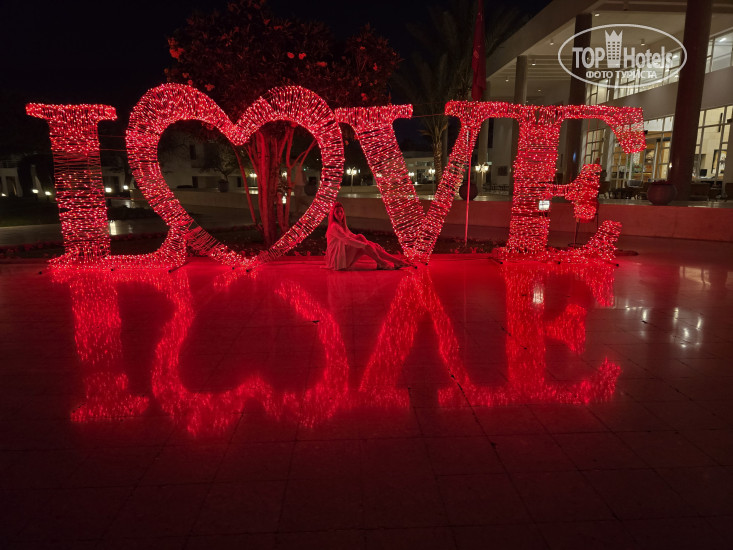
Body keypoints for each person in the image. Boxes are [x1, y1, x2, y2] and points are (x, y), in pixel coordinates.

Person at [326, 202, 412, 270]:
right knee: (361, 240)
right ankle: (384, 262)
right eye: (337, 212)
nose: (340, 214)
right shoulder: (334, 226)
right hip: (338, 261)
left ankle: (394, 262)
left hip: (343, 257)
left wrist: (370, 244)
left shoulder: (341, 225)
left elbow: (351, 236)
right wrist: (365, 245)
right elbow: (347, 240)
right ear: (333, 214)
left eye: (341, 211)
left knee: (366, 243)